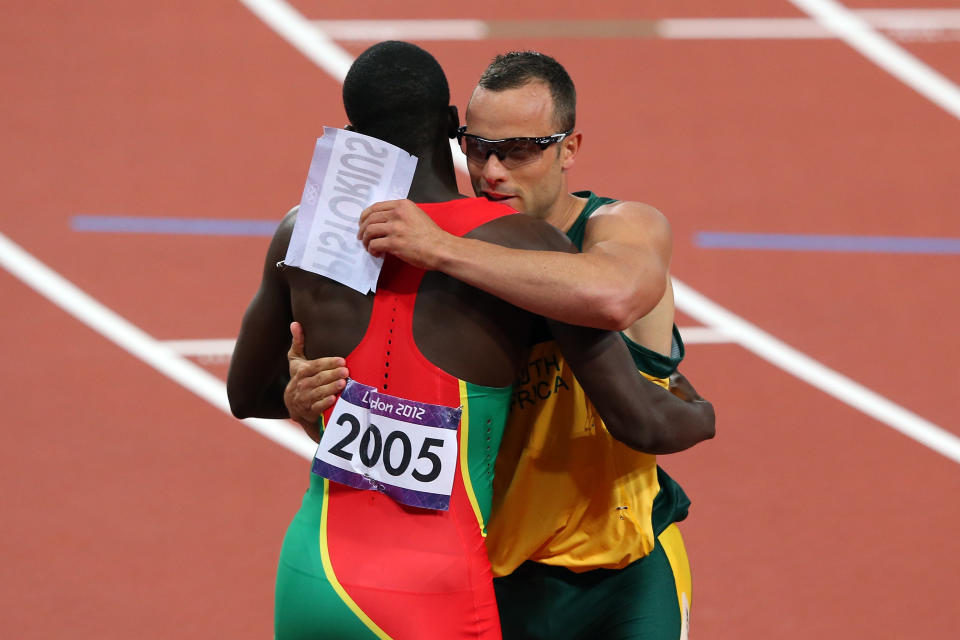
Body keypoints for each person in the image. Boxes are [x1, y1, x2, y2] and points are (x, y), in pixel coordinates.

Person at [227, 42, 714, 640]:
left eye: (519, 151)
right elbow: (381, 406)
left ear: (570, 149)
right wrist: (309, 405)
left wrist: (445, 251)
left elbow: (611, 293)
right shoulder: (466, 239)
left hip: (620, 568)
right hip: (490, 567)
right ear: (451, 129)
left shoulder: (614, 227)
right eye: (479, 147)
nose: (493, 171)